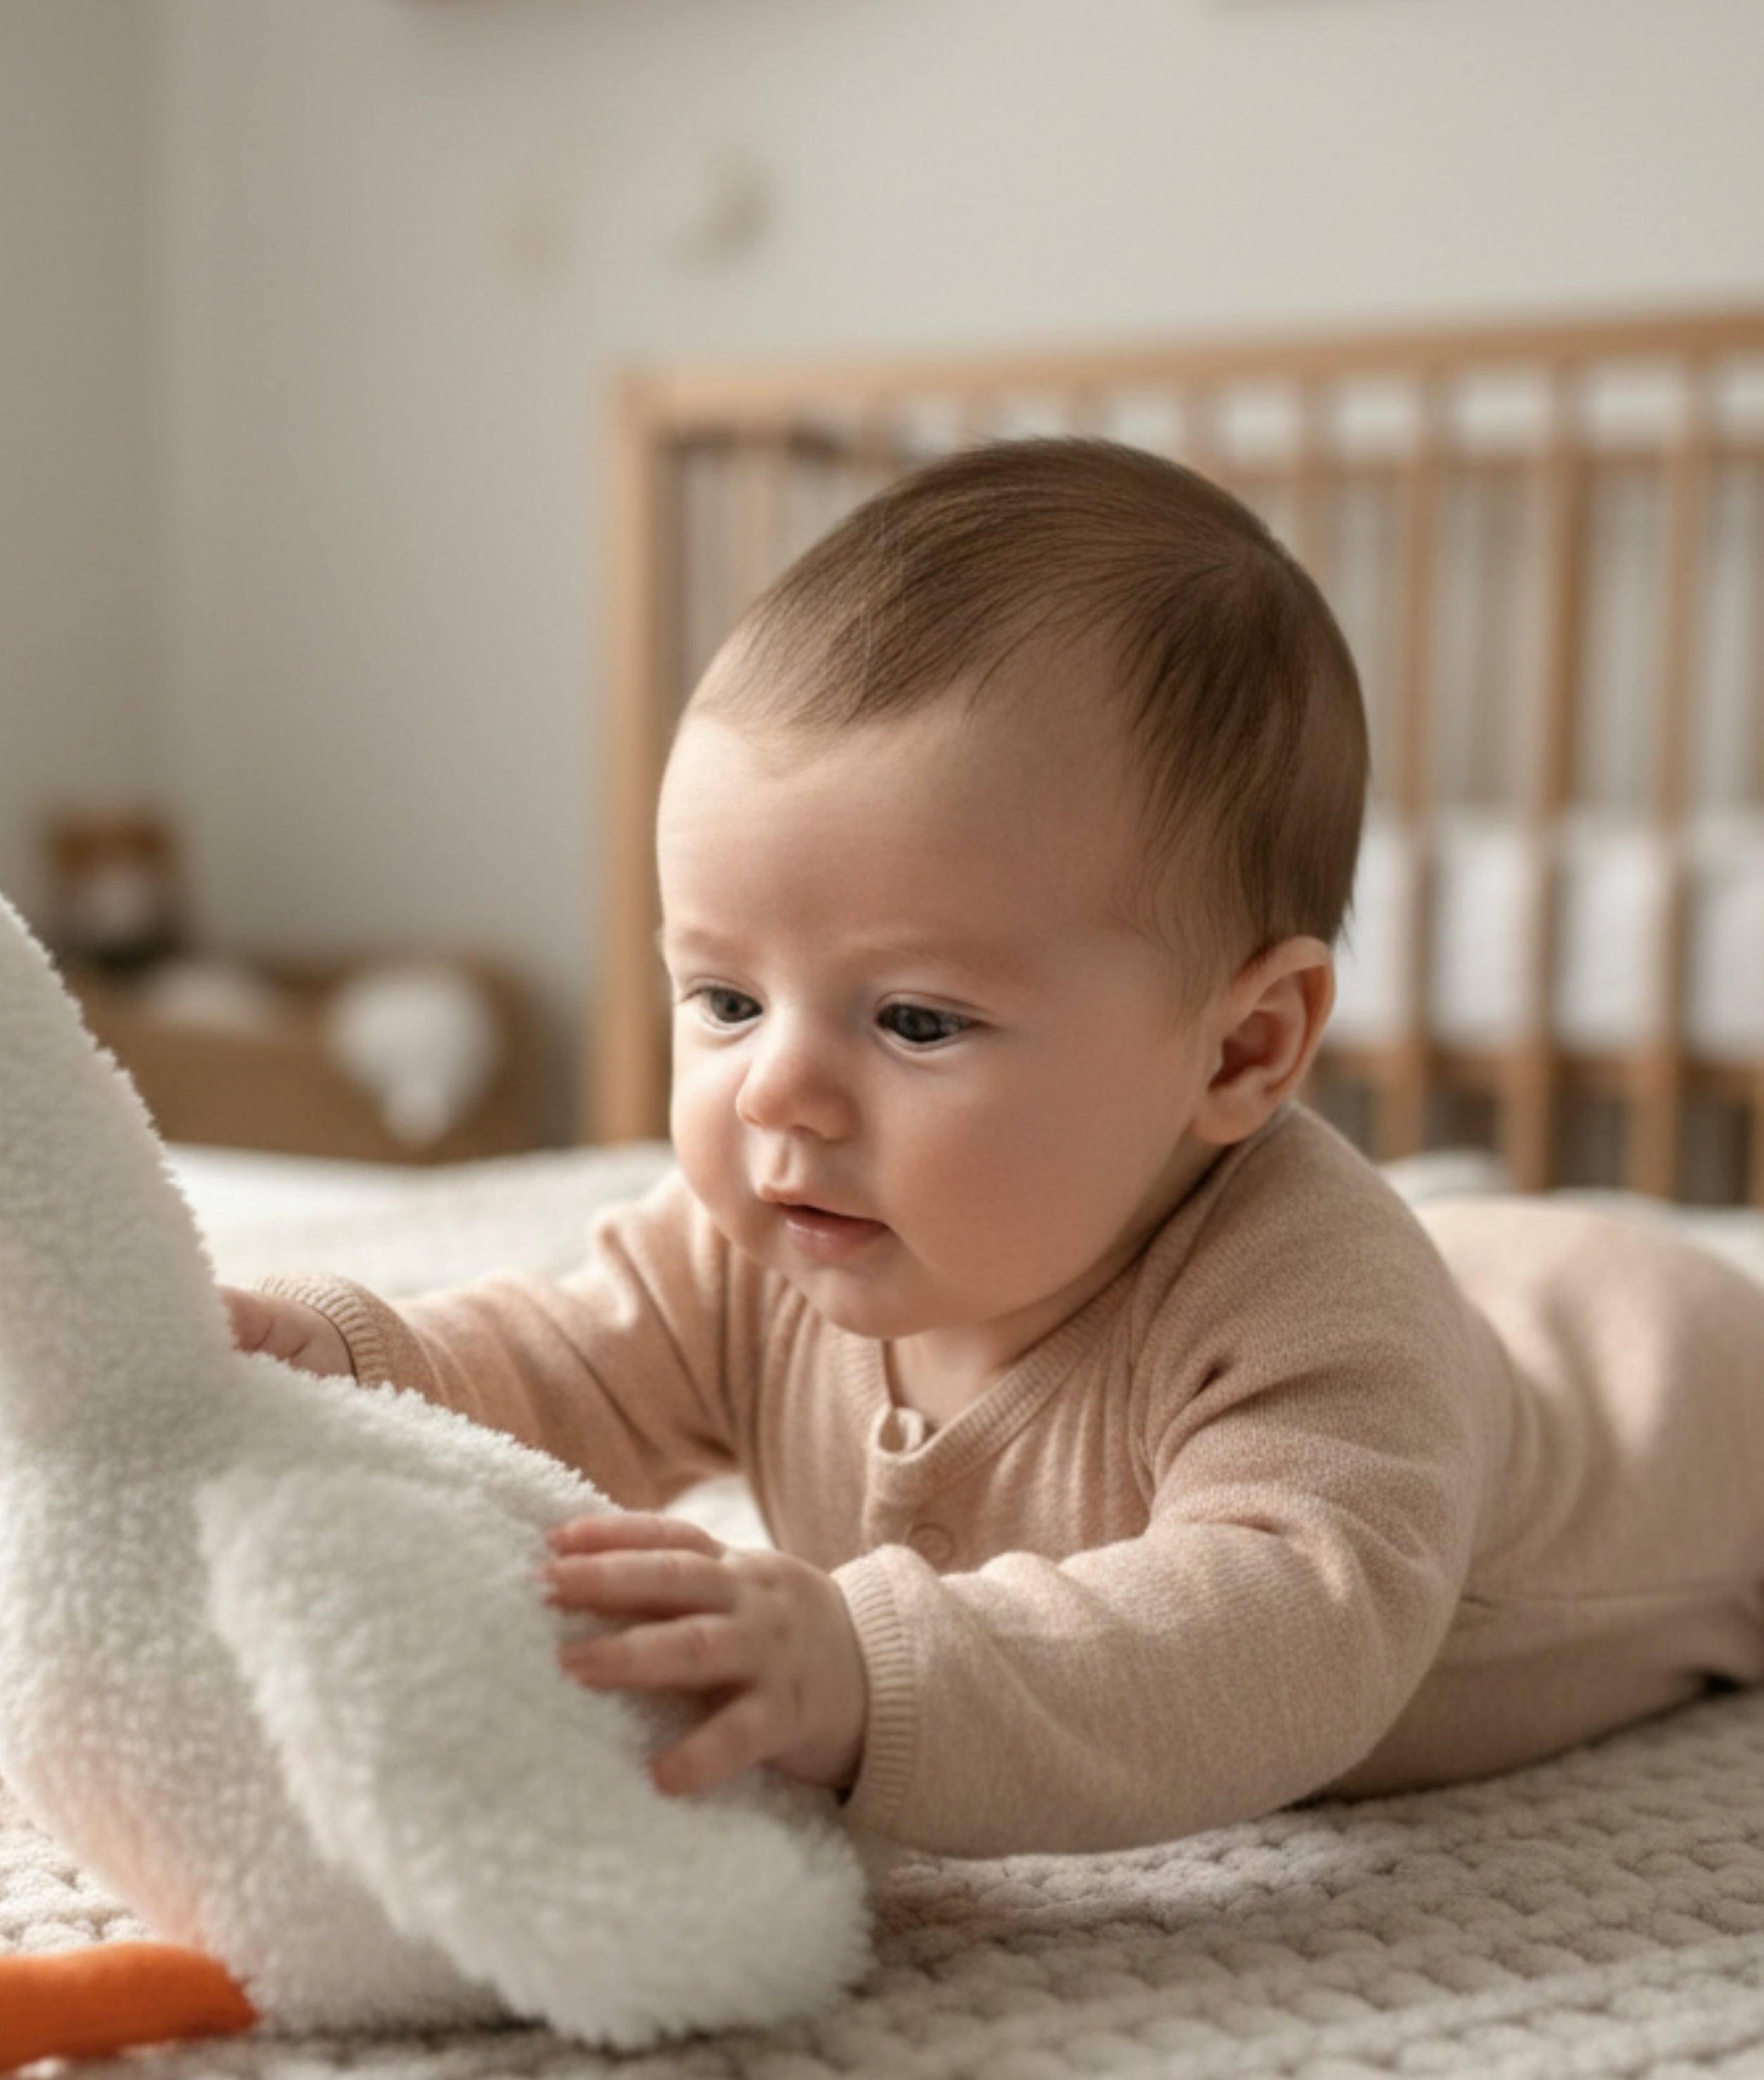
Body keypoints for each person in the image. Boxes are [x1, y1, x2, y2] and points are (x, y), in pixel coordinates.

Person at [224, 438, 1764, 1862]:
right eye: (725, 996)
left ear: (1239, 1048)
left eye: (911, 1022)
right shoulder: (770, 1227)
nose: (778, 1094)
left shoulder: (1315, 1311)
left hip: (1678, 1383)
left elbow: (1275, 1636)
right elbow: (563, 1365)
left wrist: (867, 1668)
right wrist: (347, 1366)